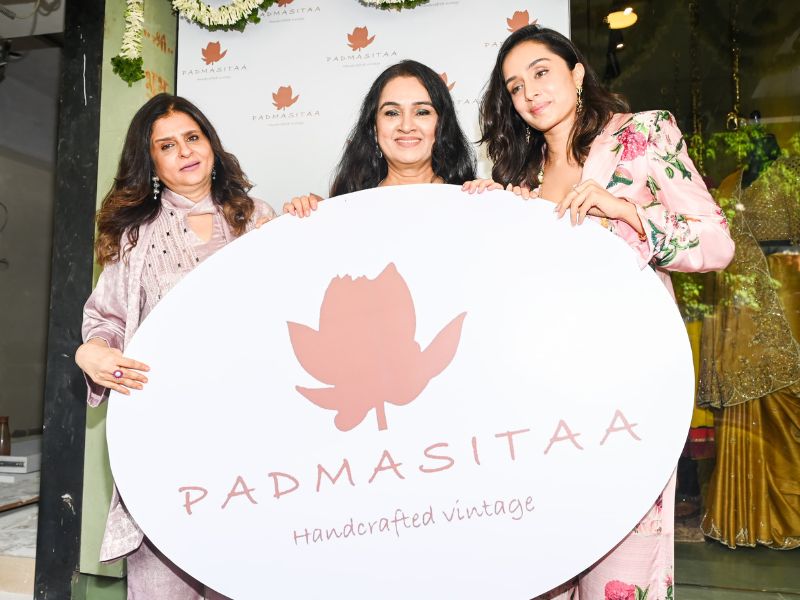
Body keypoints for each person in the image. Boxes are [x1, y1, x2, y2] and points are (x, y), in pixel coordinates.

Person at [465, 25, 735, 599]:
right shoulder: (518, 176)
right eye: (515, 87)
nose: (530, 93)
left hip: (630, 393)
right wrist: (491, 219)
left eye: (541, 72)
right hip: (542, 401)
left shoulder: (643, 135)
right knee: (544, 566)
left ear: (577, 72)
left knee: (623, 567)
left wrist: (627, 211)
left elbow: (717, 243)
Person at [75, 93, 274, 599]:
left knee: (248, 573)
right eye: (167, 145)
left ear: (211, 144)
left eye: (192, 137)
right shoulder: (134, 235)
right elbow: (106, 320)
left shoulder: (258, 219)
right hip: (165, 437)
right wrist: (92, 351)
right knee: (164, 579)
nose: (185, 151)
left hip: (255, 434)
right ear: (152, 163)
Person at [283, 59, 476, 216]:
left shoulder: (472, 200)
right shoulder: (345, 209)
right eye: (392, 113)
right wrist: (300, 221)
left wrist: (489, 202)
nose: (406, 126)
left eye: (422, 112)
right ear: (374, 128)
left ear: (442, 124)